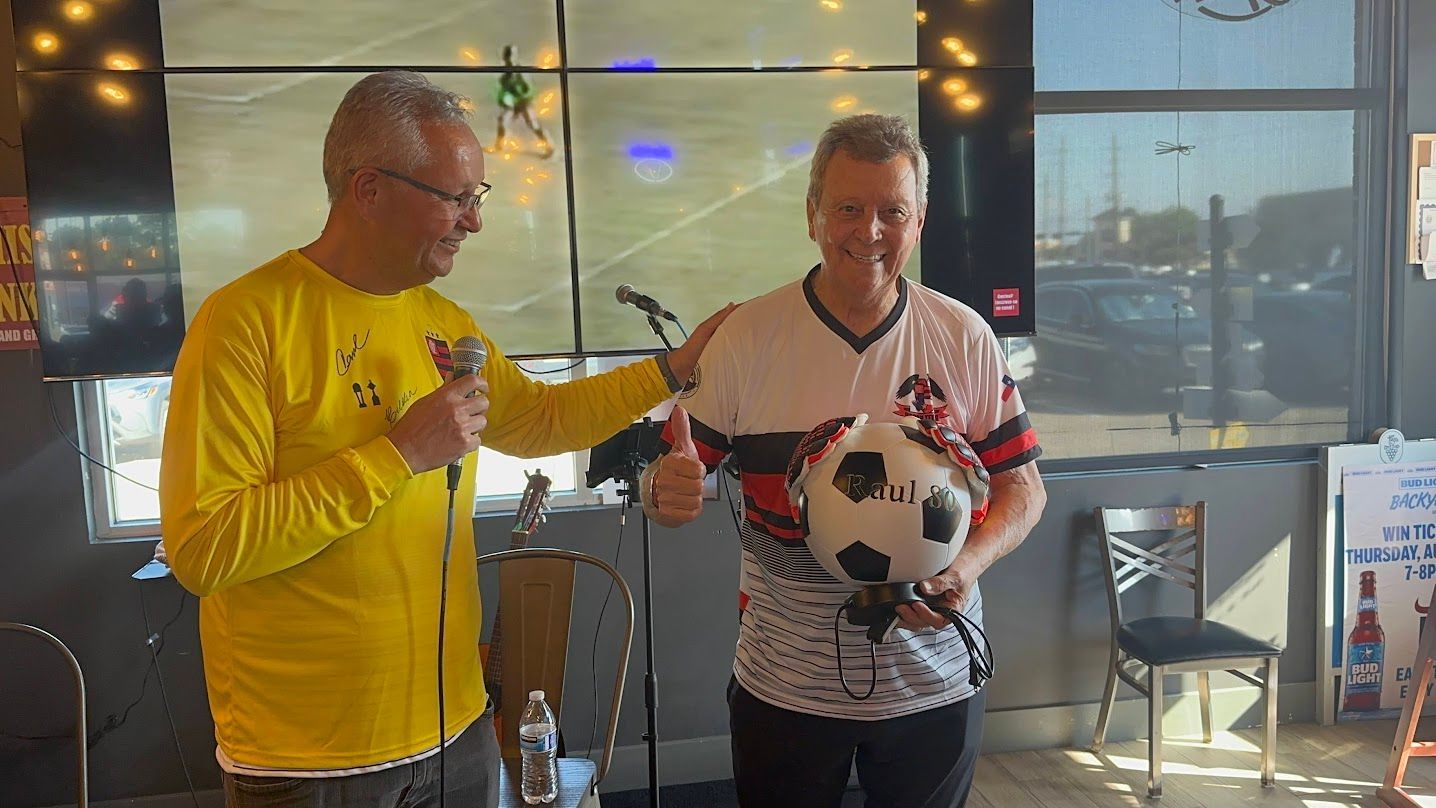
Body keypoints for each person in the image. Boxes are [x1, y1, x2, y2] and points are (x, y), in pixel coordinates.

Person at [159, 70, 733, 808]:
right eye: (455, 198)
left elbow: (540, 419)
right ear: (368, 190)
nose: (474, 220)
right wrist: (396, 456)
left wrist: (670, 369)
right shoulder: (245, 323)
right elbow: (206, 548)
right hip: (309, 760)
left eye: (477, 198)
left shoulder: (442, 321)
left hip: (455, 727)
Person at [643, 114, 1047, 807]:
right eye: (848, 209)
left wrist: (966, 566)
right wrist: (664, 489)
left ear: (920, 220)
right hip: (786, 682)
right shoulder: (747, 336)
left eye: (893, 211)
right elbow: (672, 476)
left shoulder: (964, 335)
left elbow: (1024, 487)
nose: (870, 232)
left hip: (934, 679)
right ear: (813, 216)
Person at [489, 45, 553, 158]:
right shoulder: (505, 75)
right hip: (512, 103)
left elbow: (529, 89)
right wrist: (504, 101)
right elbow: (503, 91)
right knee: (503, 121)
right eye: (507, 55)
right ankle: (499, 146)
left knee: (533, 124)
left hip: (524, 101)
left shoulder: (520, 72)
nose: (509, 58)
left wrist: (521, 100)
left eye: (511, 55)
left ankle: (549, 147)